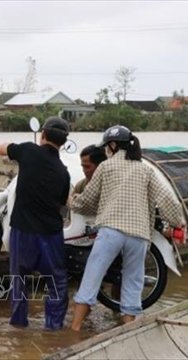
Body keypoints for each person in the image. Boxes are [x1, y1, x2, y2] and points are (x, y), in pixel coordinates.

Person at [70, 125, 185, 331]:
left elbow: (88, 200)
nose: (106, 150)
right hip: (139, 235)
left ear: (112, 146)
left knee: (91, 278)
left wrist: (74, 201)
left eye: (107, 146)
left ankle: (74, 330)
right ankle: (129, 332)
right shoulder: (146, 169)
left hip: (111, 231)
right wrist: (179, 223)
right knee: (132, 284)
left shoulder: (106, 167)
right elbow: (167, 200)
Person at [0, 116, 71, 330]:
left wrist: (14, 151)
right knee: (56, 282)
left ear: (43, 135)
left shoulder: (28, 151)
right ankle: (54, 328)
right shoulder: (63, 172)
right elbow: (63, 203)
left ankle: (18, 326)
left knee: (19, 280)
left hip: (24, 232)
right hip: (51, 234)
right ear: (63, 142)